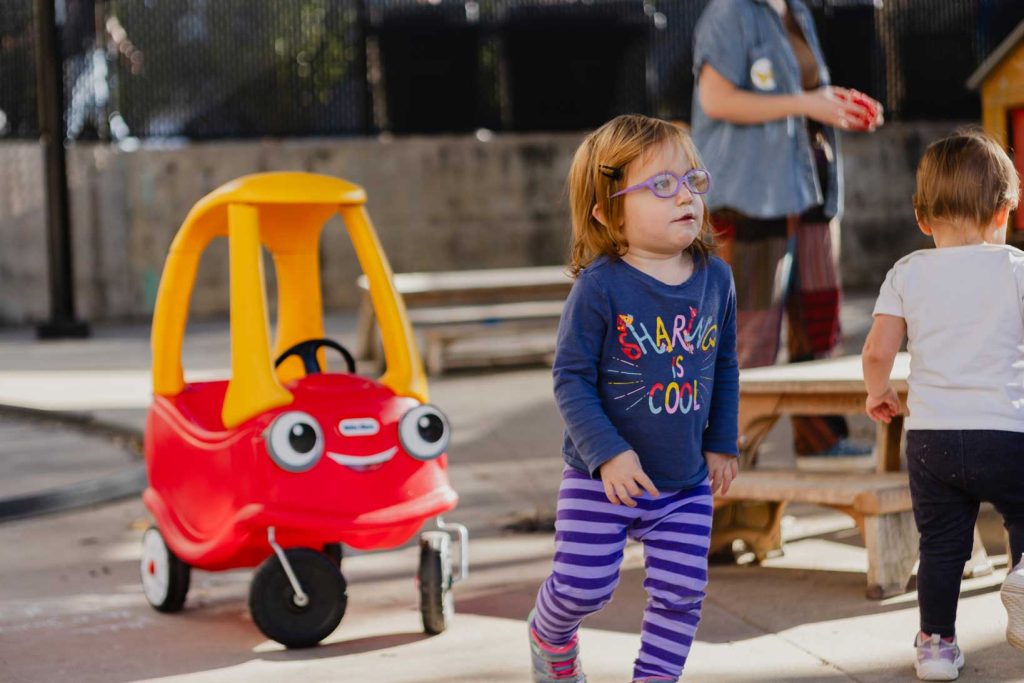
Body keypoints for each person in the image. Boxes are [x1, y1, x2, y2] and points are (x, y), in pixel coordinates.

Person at [527, 114, 739, 683]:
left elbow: (723, 364)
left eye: (693, 180)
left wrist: (721, 441)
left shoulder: (716, 280)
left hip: (684, 480)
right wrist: (608, 453)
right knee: (583, 586)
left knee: (681, 594)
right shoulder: (600, 287)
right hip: (602, 477)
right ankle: (549, 633)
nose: (685, 196)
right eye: (662, 185)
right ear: (608, 212)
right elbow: (570, 377)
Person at [862, 130, 1024, 681]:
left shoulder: (906, 272)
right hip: (1006, 432)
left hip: (931, 438)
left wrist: (878, 392)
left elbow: (877, 352)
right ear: (1004, 211)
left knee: (942, 544)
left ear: (922, 218)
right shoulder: (1016, 269)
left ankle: (934, 646)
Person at [691, 0, 883, 460]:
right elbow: (715, 100)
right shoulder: (729, 12)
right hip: (750, 198)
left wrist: (835, 104)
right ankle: (727, 460)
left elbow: (804, 89)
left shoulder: (797, 10)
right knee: (750, 336)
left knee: (818, 324)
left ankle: (822, 442)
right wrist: (804, 102)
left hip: (811, 191)